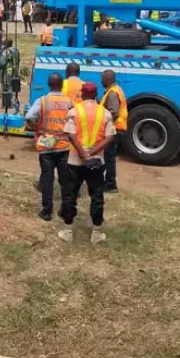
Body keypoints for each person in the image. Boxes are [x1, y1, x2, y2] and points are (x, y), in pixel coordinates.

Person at [59, 82, 116, 244]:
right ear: (96, 94)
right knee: (97, 196)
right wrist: (92, 152)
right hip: (97, 161)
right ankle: (96, 233)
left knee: (70, 194)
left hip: (75, 160)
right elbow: (110, 137)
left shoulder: (74, 111)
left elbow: (70, 134)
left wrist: (83, 153)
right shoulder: (105, 113)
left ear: (82, 94)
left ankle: (68, 231)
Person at [25, 73, 72, 221]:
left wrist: (37, 129)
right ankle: (65, 210)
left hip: (46, 143)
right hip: (64, 145)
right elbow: (75, 120)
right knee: (65, 180)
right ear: (62, 85)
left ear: (49, 85)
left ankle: (46, 212)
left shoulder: (42, 101)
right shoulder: (69, 102)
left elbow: (29, 117)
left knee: (47, 179)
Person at [100, 70, 127, 193]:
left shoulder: (112, 94)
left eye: (102, 78)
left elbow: (114, 112)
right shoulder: (115, 89)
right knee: (108, 158)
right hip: (114, 129)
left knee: (109, 158)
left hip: (113, 130)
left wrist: (101, 121)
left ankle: (111, 185)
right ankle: (108, 183)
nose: (101, 81)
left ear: (107, 79)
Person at [0, 38, 21, 106]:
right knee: (14, 85)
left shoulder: (6, 51)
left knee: (7, 86)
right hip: (15, 71)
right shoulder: (16, 50)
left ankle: (9, 103)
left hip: (7, 72)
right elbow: (18, 60)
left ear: (7, 44)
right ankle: (15, 100)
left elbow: (2, 63)